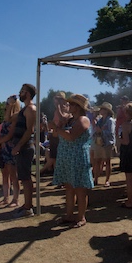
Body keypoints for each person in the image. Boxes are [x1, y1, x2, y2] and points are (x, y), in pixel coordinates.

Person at [52, 93, 94, 226]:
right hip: (67, 158)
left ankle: (81, 217)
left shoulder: (83, 120)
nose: (68, 106)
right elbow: (59, 133)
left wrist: (57, 129)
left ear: (77, 107)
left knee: (80, 188)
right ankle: (69, 215)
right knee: (69, 187)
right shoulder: (71, 120)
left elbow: (71, 136)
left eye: (71, 104)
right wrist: (55, 129)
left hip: (77, 158)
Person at [9, 84, 39, 217]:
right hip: (22, 147)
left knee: (26, 178)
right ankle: (26, 204)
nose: (19, 93)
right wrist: (10, 104)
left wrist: (18, 146)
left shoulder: (31, 109)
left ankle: (28, 207)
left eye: (22, 91)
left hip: (26, 147)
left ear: (27, 93)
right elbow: (8, 119)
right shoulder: (24, 109)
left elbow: (30, 130)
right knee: (23, 177)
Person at [91, 102, 116, 187]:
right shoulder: (100, 120)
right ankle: (96, 179)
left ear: (106, 111)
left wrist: (101, 131)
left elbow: (111, 133)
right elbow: (95, 130)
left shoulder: (110, 121)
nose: (100, 110)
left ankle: (107, 180)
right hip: (99, 142)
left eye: (102, 109)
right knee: (97, 161)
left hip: (107, 143)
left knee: (107, 161)